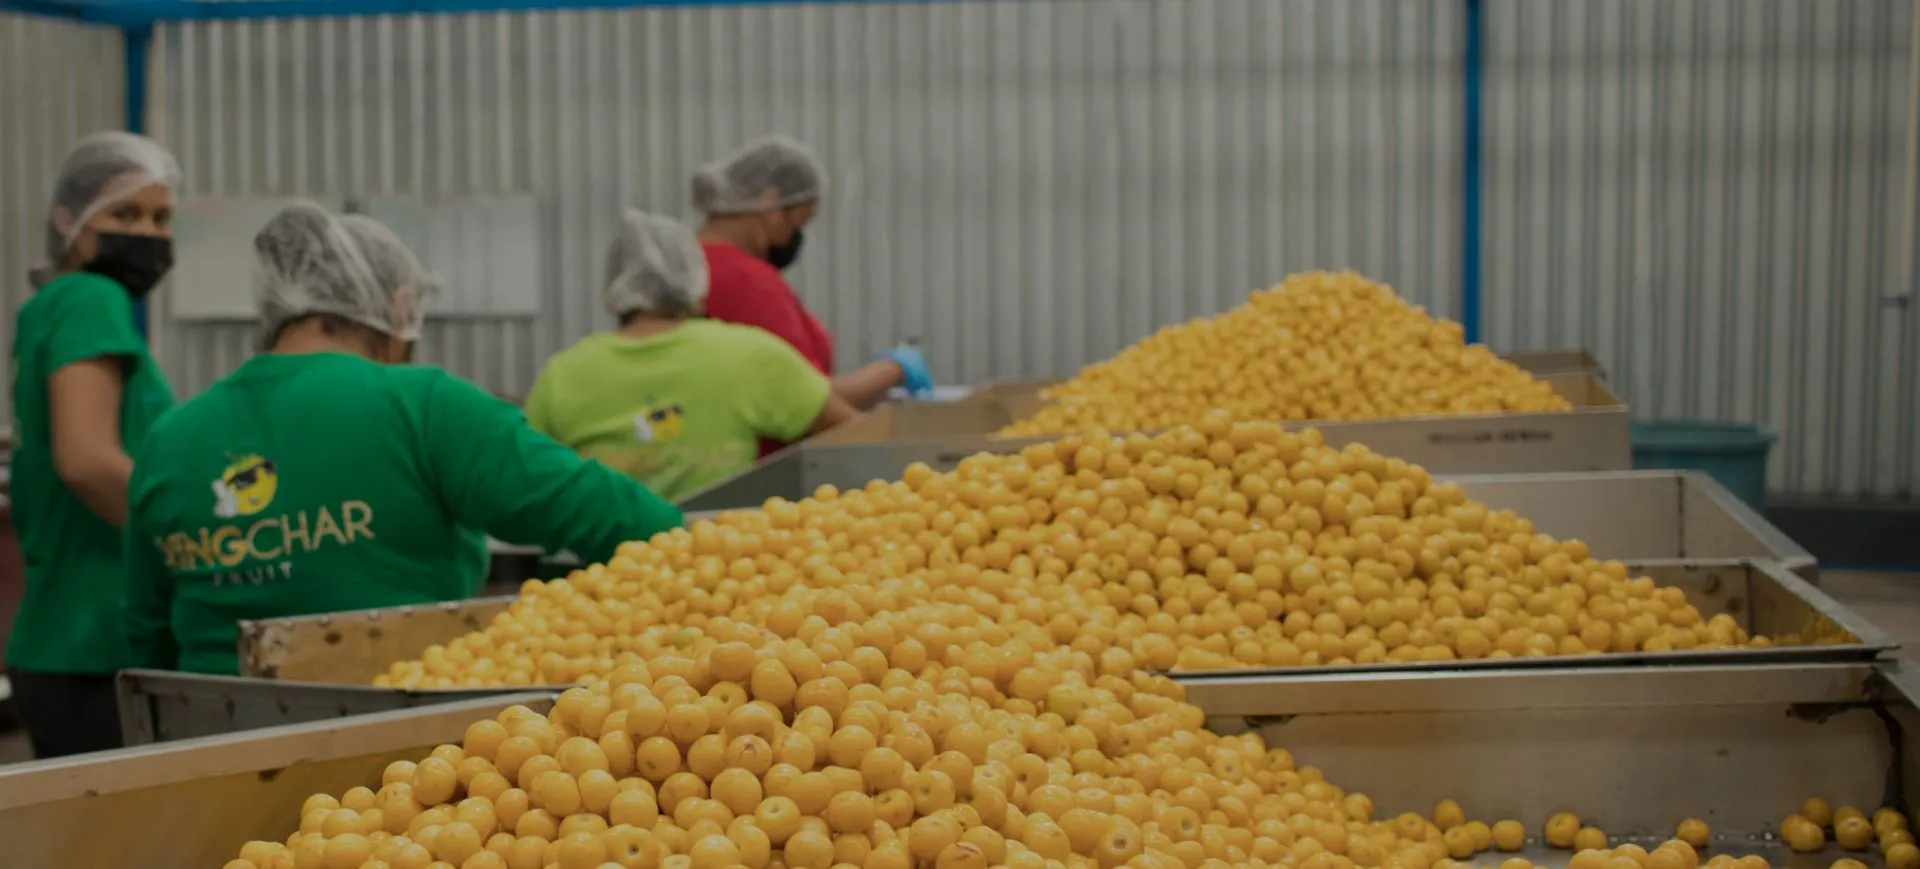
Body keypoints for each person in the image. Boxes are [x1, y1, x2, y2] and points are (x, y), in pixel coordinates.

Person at [122, 202, 685, 676]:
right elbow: (624, 522)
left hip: (209, 742)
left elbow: (145, 638)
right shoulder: (424, 406)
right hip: (401, 757)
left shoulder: (168, 438)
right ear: (396, 307)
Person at [7, 132, 180, 758]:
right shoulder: (92, 298)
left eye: (161, 217)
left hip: (59, 637)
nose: (148, 233)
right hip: (98, 642)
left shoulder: (49, 305)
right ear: (69, 222)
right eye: (124, 214)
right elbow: (85, 460)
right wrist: (192, 542)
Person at [527, 209, 859, 501]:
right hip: (717, 561)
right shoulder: (749, 356)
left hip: (602, 567)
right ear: (697, 278)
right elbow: (856, 433)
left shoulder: (564, 373)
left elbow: (528, 479)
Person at [692, 135, 935, 454]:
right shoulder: (746, 282)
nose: (796, 238)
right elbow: (805, 402)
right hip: (764, 473)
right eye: (800, 222)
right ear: (771, 203)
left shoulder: (687, 268)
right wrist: (893, 371)